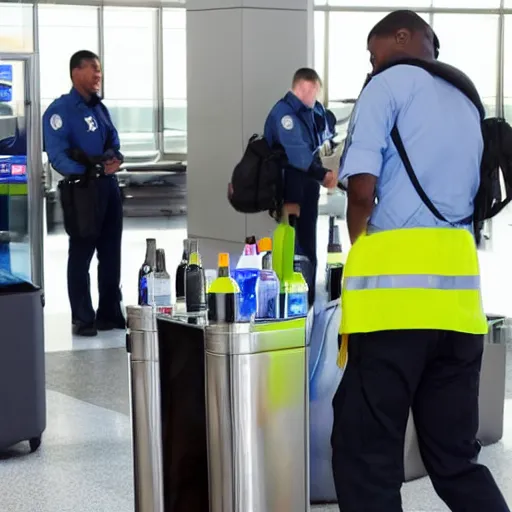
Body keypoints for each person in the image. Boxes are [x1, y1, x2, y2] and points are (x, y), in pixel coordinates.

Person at [331, 10, 509, 512]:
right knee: (454, 459)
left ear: (404, 37)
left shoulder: (386, 87)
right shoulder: (467, 100)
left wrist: (360, 241)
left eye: (373, 52)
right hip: (459, 313)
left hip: (393, 309)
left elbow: (361, 189)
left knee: (366, 456)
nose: (372, 63)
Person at [42, 50, 125, 337]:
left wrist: (115, 157)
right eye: (92, 69)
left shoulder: (99, 108)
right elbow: (57, 156)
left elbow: (113, 139)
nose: (98, 75)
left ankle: (109, 312)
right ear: (76, 72)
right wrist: (91, 169)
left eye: (99, 69)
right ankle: (83, 317)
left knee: (111, 252)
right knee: (81, 254)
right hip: (82, 191)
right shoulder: (60, 111)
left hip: (109, 188)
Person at [264, 68, 338, 305]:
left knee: (307, 243)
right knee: (294, 246)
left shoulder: (309, 110)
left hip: (307, 188)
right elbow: (297, 154)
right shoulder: (284, 114)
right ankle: (292, 301)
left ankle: (308, 300)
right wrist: (324, 174)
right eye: (313, 92)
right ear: (304, 88)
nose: (315, 97)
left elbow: (326, 130)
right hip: (290, 189)